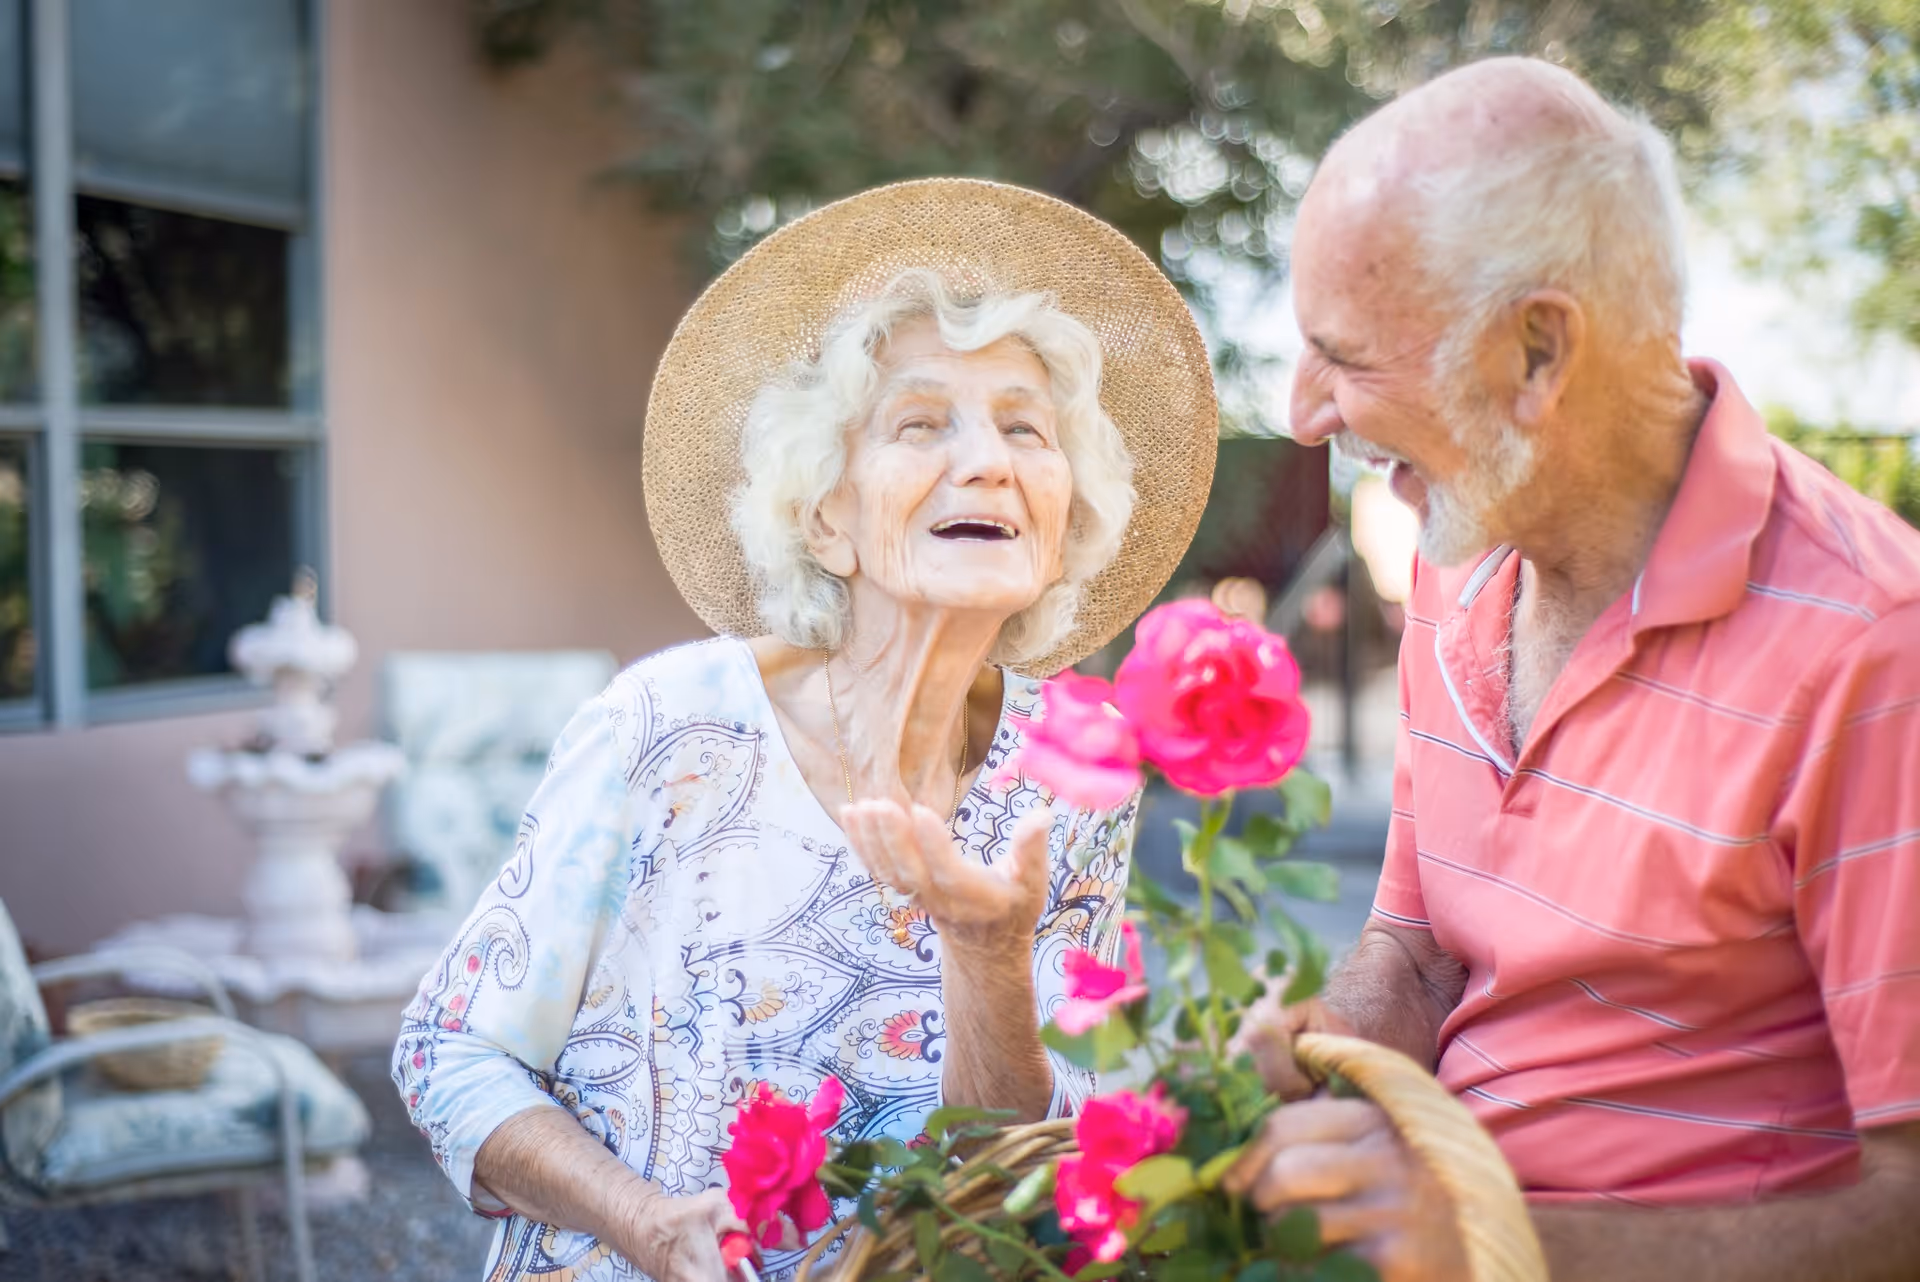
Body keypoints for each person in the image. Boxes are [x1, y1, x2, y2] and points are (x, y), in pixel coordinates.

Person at [392, 179, 1221, 1282]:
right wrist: (646, 1220)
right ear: (826, 516)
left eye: (1025, 427)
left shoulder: (1074, 775)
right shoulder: (669, 729)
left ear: (1064, 511)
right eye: (922, 423)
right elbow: (448, 1050)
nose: (988, 461)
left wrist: (987, 954)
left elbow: (1014, 1178)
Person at [1226, 57, 1920, 1282]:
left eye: (1348, 354)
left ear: (1540, 352)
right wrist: (1318, 1047)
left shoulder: (1874, 646)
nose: (1302, 412)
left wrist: (1496, 1243)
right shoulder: (1460, 557)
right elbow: (1419, 949)